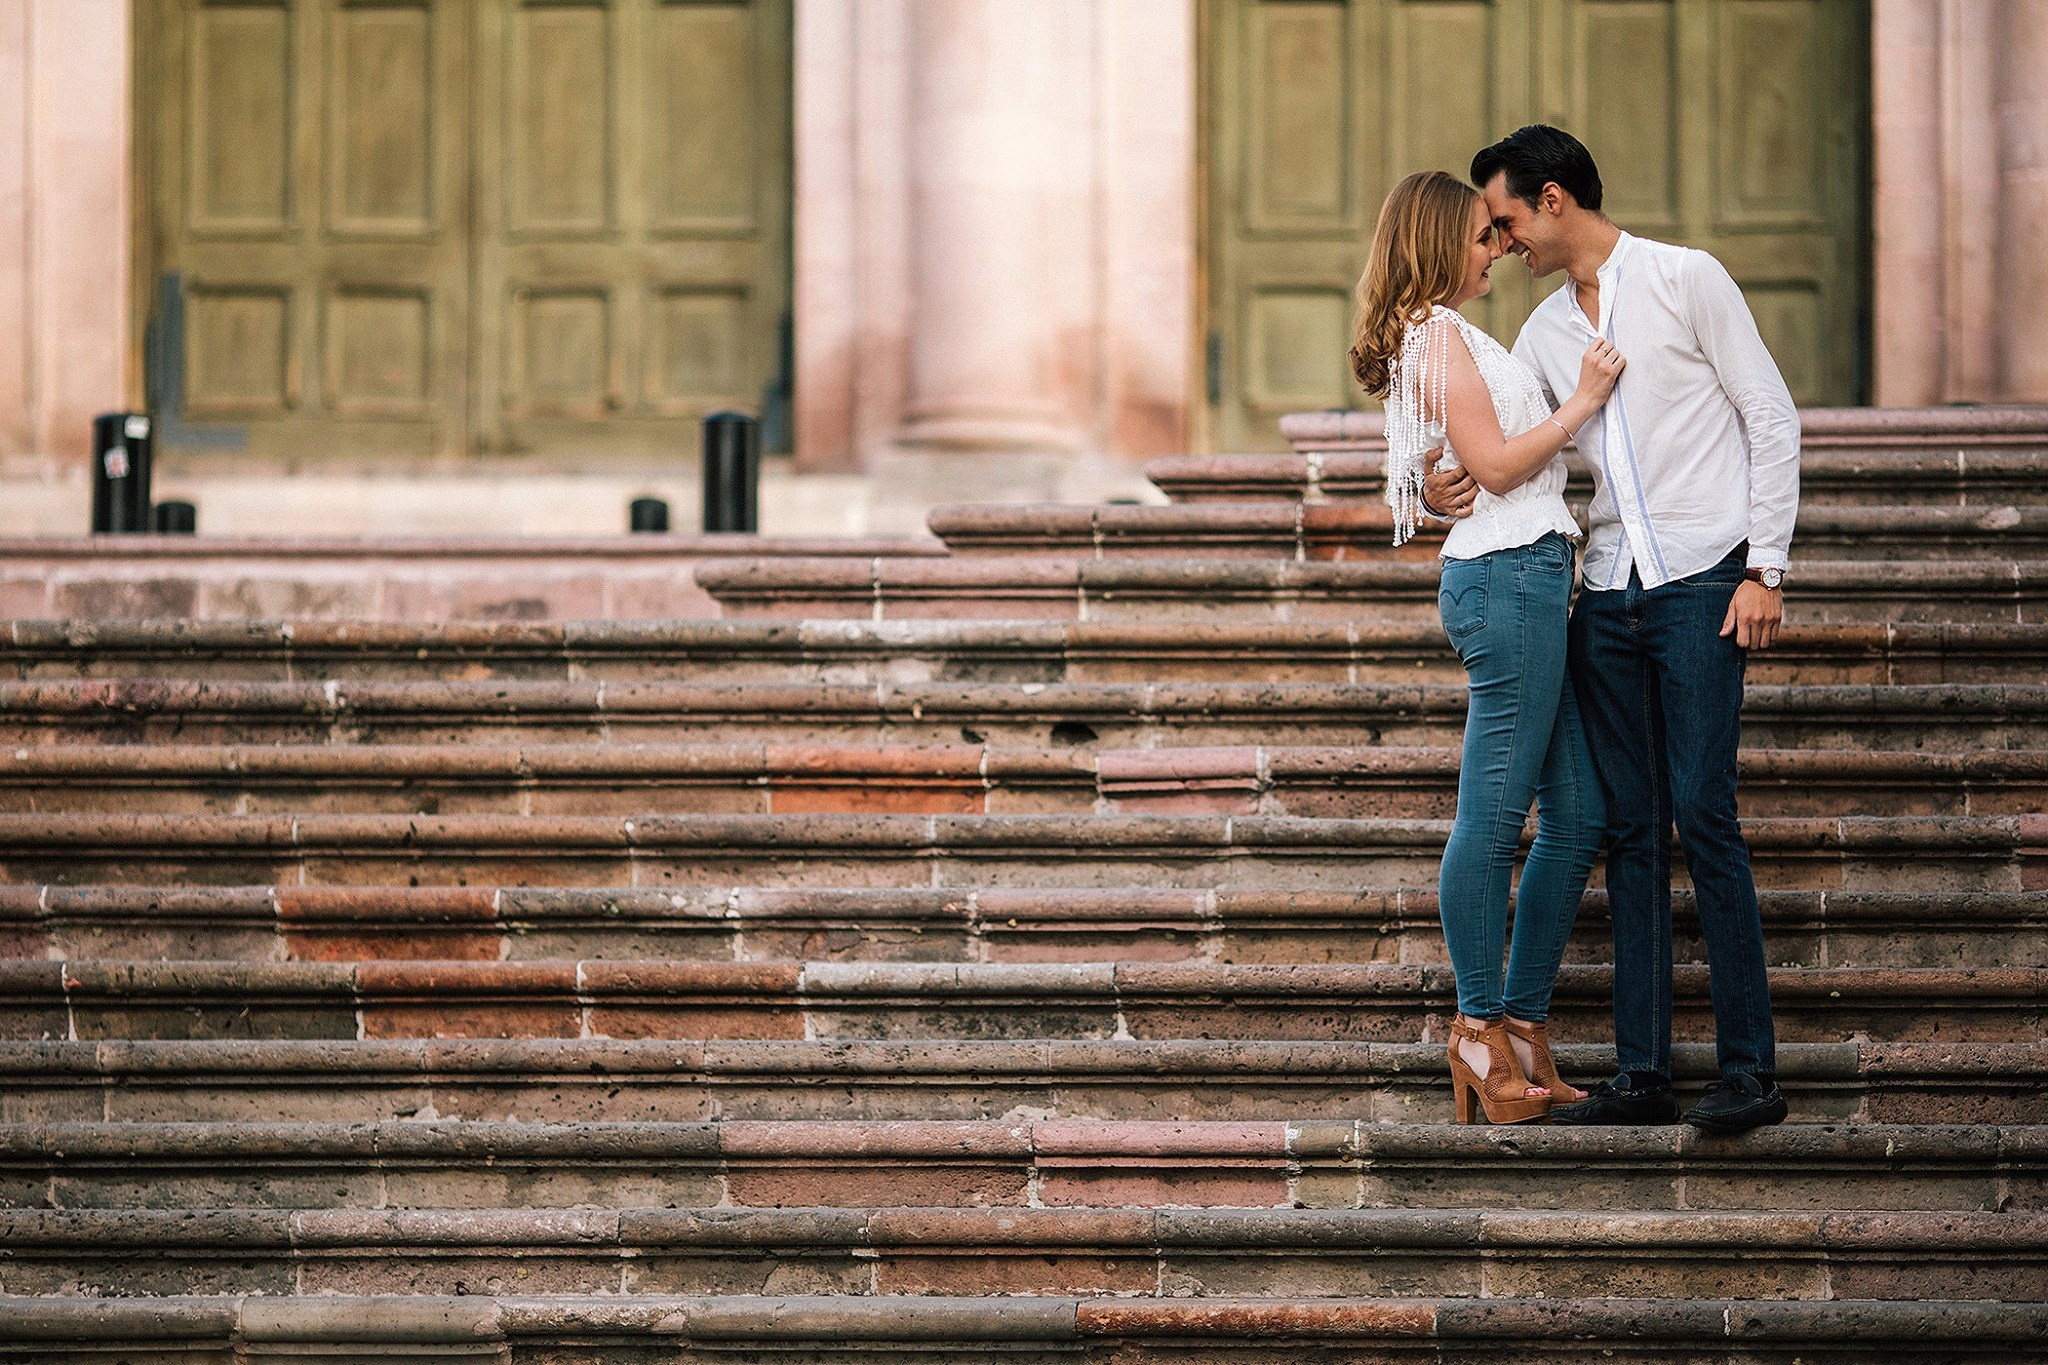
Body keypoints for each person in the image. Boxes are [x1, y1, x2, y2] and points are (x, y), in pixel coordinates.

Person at [1425, 126, 1798, 1133]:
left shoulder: (1686, 279)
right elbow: (1510, 450)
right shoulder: (1543, 334)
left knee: (1703, 813)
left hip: (1703, 579)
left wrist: (1764, 566)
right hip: (1604, 591)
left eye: (1505, 219)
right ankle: (1642, 1075)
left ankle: (1749, 1072)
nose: (1501, 242)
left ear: (1552, 200)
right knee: (1628, 828)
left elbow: (1769, 414)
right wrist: (1435, 482)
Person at [1349, 170, 1622, 1124]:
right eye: (1479, 235)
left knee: (1578, 816)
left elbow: (1457, 463)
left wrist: (1436, 482)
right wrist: (1583, 399)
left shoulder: (1449, 333)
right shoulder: (1433, 335)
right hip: (1506, 582)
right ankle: (1475, 1027)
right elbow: (1500, 467)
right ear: (1434, 243)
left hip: (1530, 574)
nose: (1497, 248)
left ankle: (1523, 1025)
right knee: (1495, 817)